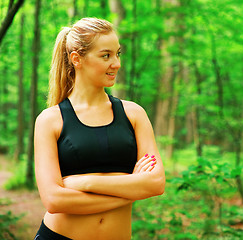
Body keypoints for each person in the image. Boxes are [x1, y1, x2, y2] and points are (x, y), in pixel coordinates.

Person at [33, 17, 165, 240]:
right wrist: (130, 189)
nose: (116, 63)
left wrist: (86, 182)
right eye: (106, 55)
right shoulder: (50, 120)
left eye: (118, 54)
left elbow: (156, 183)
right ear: (77, 59)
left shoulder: (134, 114)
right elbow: (54, 200)